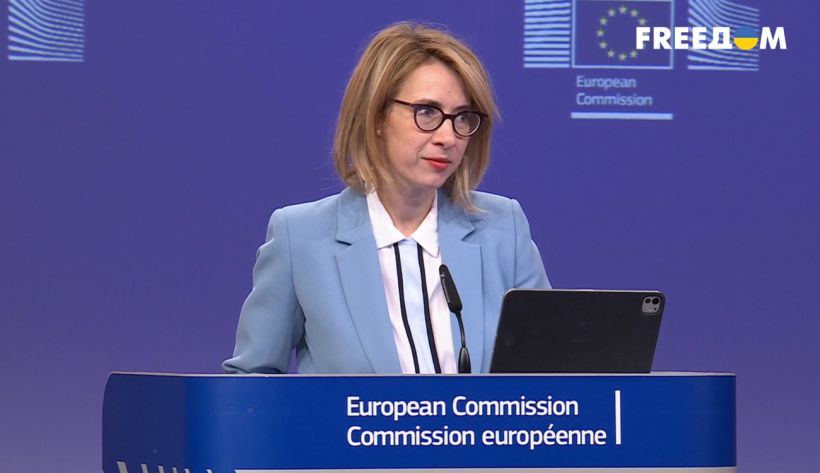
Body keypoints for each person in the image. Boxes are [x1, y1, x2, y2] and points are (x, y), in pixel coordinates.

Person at [223, 22, 550, 375]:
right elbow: (250, 382)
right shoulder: (300, 238)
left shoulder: (503, 228)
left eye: (462, 117)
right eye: (427, 112)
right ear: (376, 116)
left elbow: (554, 371)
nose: (448, 137)